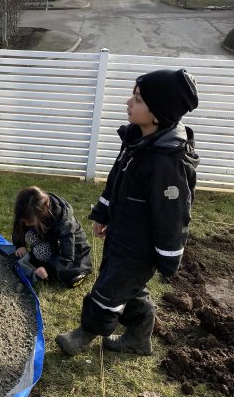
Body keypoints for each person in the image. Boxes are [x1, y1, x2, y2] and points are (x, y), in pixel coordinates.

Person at [55, 68, 199, 357]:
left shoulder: (166, 163)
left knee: (109, 289)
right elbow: (117, 182)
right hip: (122, 233)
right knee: (128, 287)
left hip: (140, 247)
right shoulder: (136, 141)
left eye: (138, 99)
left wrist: (169, 255)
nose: (128, 103)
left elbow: (173, 214)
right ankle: (139, 336)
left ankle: (86, 334)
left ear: (158, 112)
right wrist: (103, 213)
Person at [12, 186, 92, 287]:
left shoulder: (65, 224)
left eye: (30, 222)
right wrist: (20, 244)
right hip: (52, 242)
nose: (27, 224)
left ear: (42, 213)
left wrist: (48, 269)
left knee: (68, 277)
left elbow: (67, 255)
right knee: (31, 237)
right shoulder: (34, 208)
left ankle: (79, 272)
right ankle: (41, 260)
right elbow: (19, 226)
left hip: (74, 253)